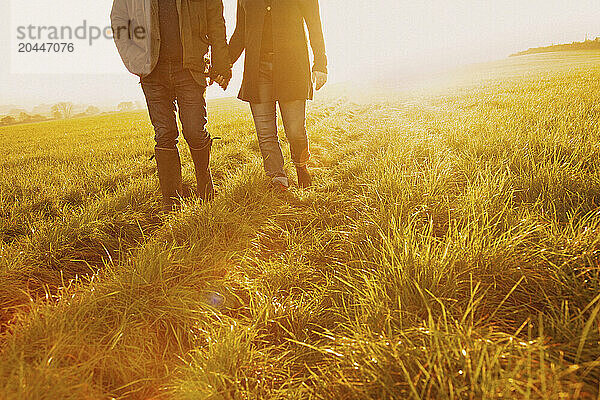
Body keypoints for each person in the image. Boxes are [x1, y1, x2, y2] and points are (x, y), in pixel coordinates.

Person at [111, 0, 231, 211]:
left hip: (190, 66)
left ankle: (204, 182)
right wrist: (134, 58)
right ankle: (172, 202)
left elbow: (215, 20)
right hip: (151, 71)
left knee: (194, 131)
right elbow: (119, 20)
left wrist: (221, 62)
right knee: (164, 134)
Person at [229, 0, 328, 190]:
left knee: (295, 130)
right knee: (265, 133)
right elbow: (240, 34)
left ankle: (301, 166)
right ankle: (277, 178)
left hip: (292, 66)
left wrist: (320, 64)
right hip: (257, 70)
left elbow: (314, 24)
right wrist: (223, 65)